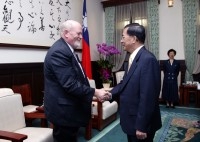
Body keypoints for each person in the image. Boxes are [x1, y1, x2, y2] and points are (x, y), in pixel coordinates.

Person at [43, 20, 110, 142]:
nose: (81, 37)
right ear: (66, 33)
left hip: (69, 108)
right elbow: (70, 84)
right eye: (78, 33)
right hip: (63, 111)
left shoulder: (67, 49)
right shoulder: (59, 51)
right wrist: (95, 92)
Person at [109, 23, 162, 142]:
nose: (121, 41)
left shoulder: (147, 60)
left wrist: (142, 126)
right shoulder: (133, 58)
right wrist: (110, 94)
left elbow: (148, 96)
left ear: (133, 39)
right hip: (131, 119)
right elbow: (125, 83)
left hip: (141, 123)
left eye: (123, 37)